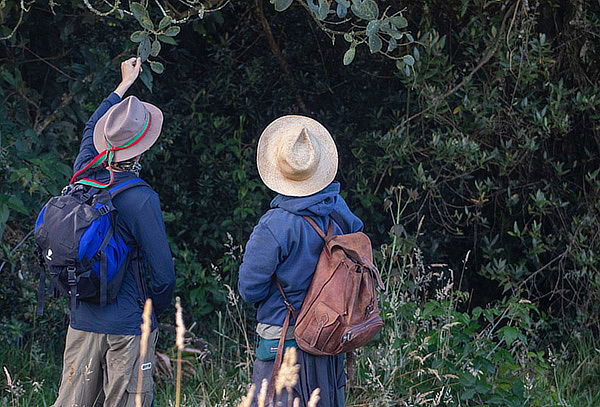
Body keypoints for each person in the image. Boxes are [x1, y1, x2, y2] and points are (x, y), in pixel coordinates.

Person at [52, 57, 176, 407]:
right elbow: (164, 275)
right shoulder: (140, 198)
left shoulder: (83, 174)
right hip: (126, 327)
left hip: (82, 320)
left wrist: (122, 85)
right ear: (143, 147)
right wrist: (150, 312)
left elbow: (92, 124)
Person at [238, 115, 364, 407]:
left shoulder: (276, 224)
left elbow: (249, 288)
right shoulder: (338, 211)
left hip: (285, 336)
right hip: (332, 332)